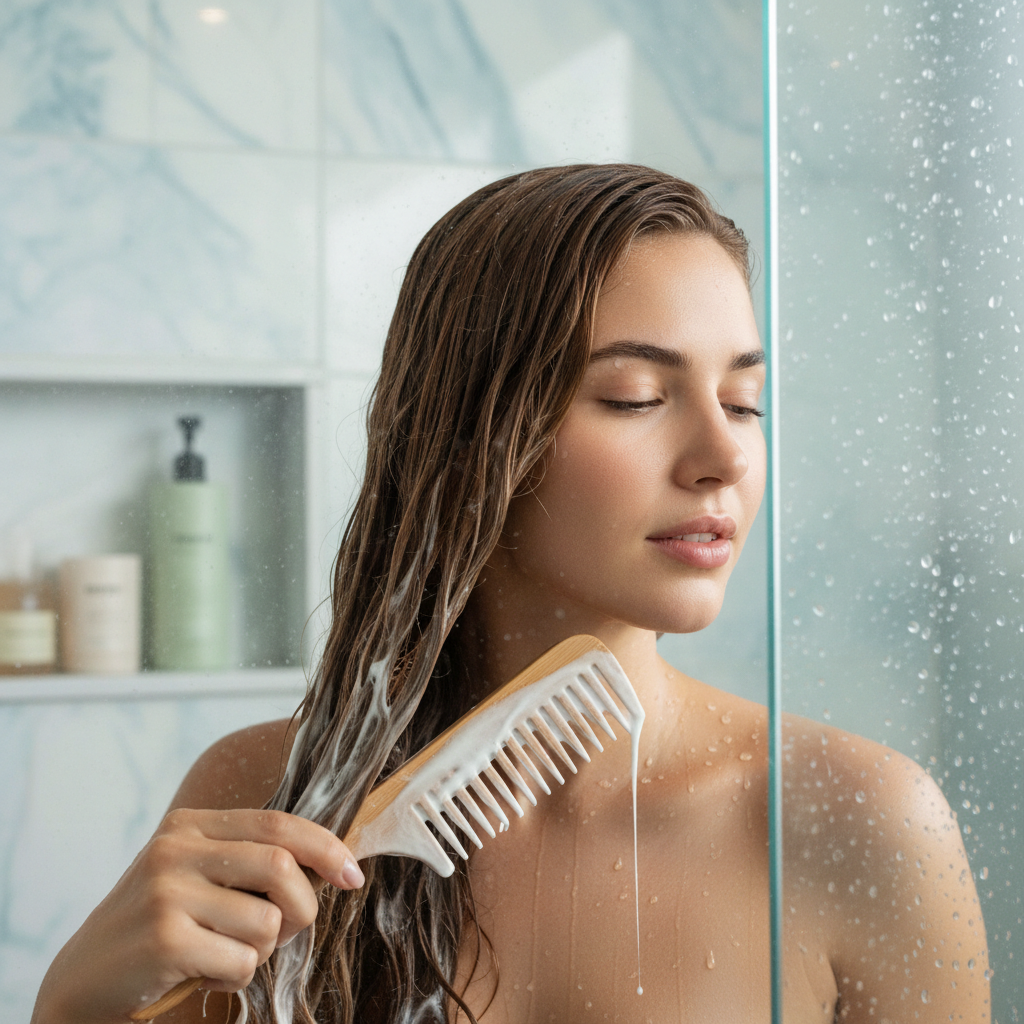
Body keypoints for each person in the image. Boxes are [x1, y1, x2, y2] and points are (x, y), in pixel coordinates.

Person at [32, 165, 990, 1024]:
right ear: (472, 435)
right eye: (635, 398)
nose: (725, 456)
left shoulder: (856, 821)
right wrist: (75, 1006)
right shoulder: (267, 805)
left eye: (744, 402)